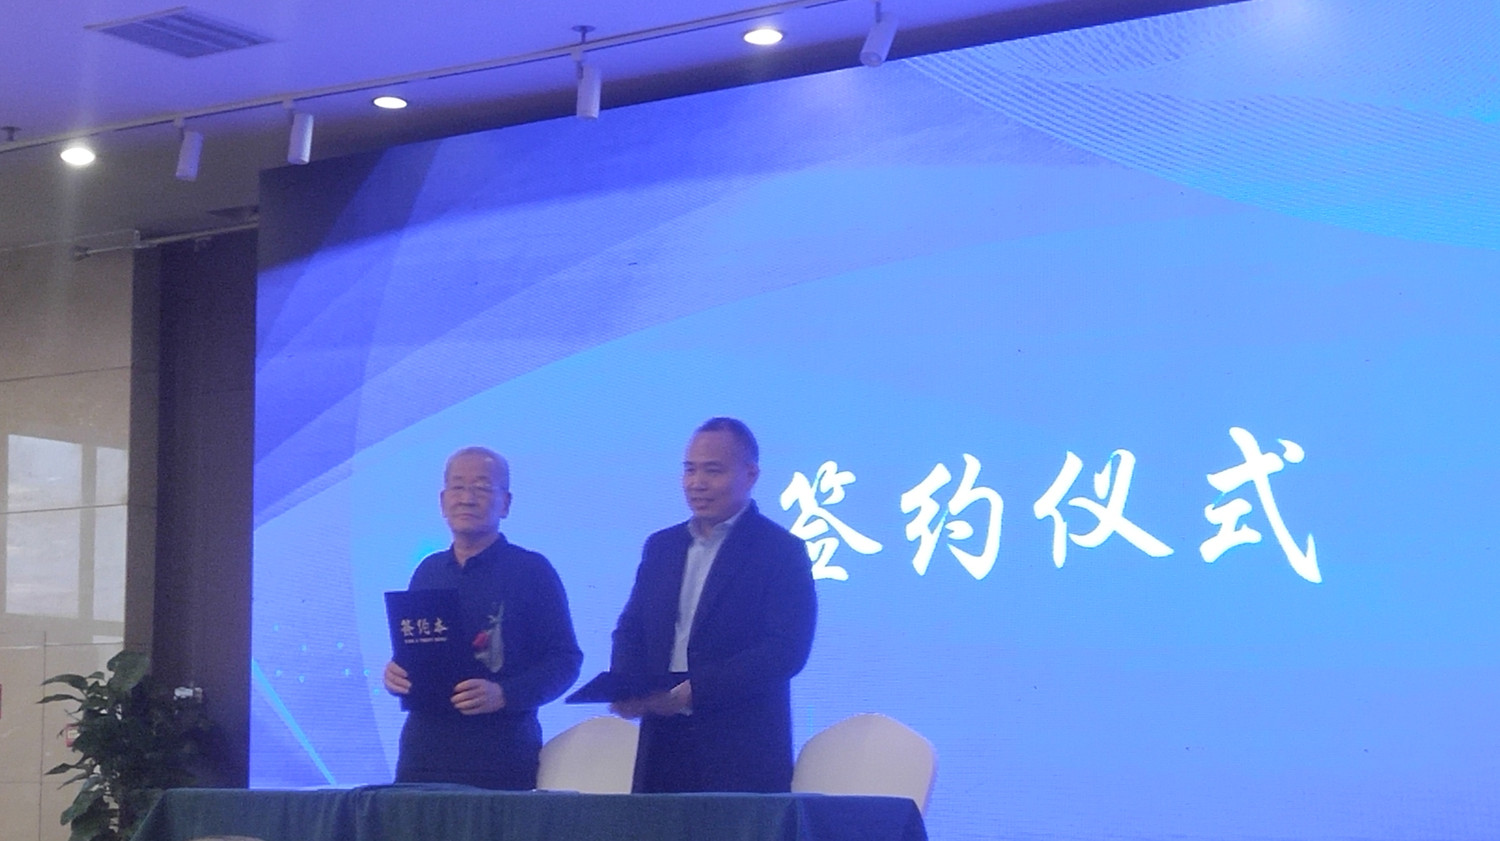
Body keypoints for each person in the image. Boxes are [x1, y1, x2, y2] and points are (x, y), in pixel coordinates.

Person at [609, 417, 817, 793]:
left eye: (713, 471)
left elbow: (785, 651)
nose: (697, 483)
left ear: (750, 475)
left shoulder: (780, 551)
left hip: (740, 749)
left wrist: (697, 689)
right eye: (689, 470)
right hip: (662, 744)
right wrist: (628, 684)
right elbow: (632, 627)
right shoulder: (662, 547)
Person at [383, 446, 582, 790]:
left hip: (499, 754)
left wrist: (505, 694)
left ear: (505, 503)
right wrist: (396, 673)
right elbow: (417, 650)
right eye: (458, 487)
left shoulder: (531, 570)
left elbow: (565, 661)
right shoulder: (428, 570)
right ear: (443, 501)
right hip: (423, 753)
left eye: (482, 487)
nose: (467, 498)